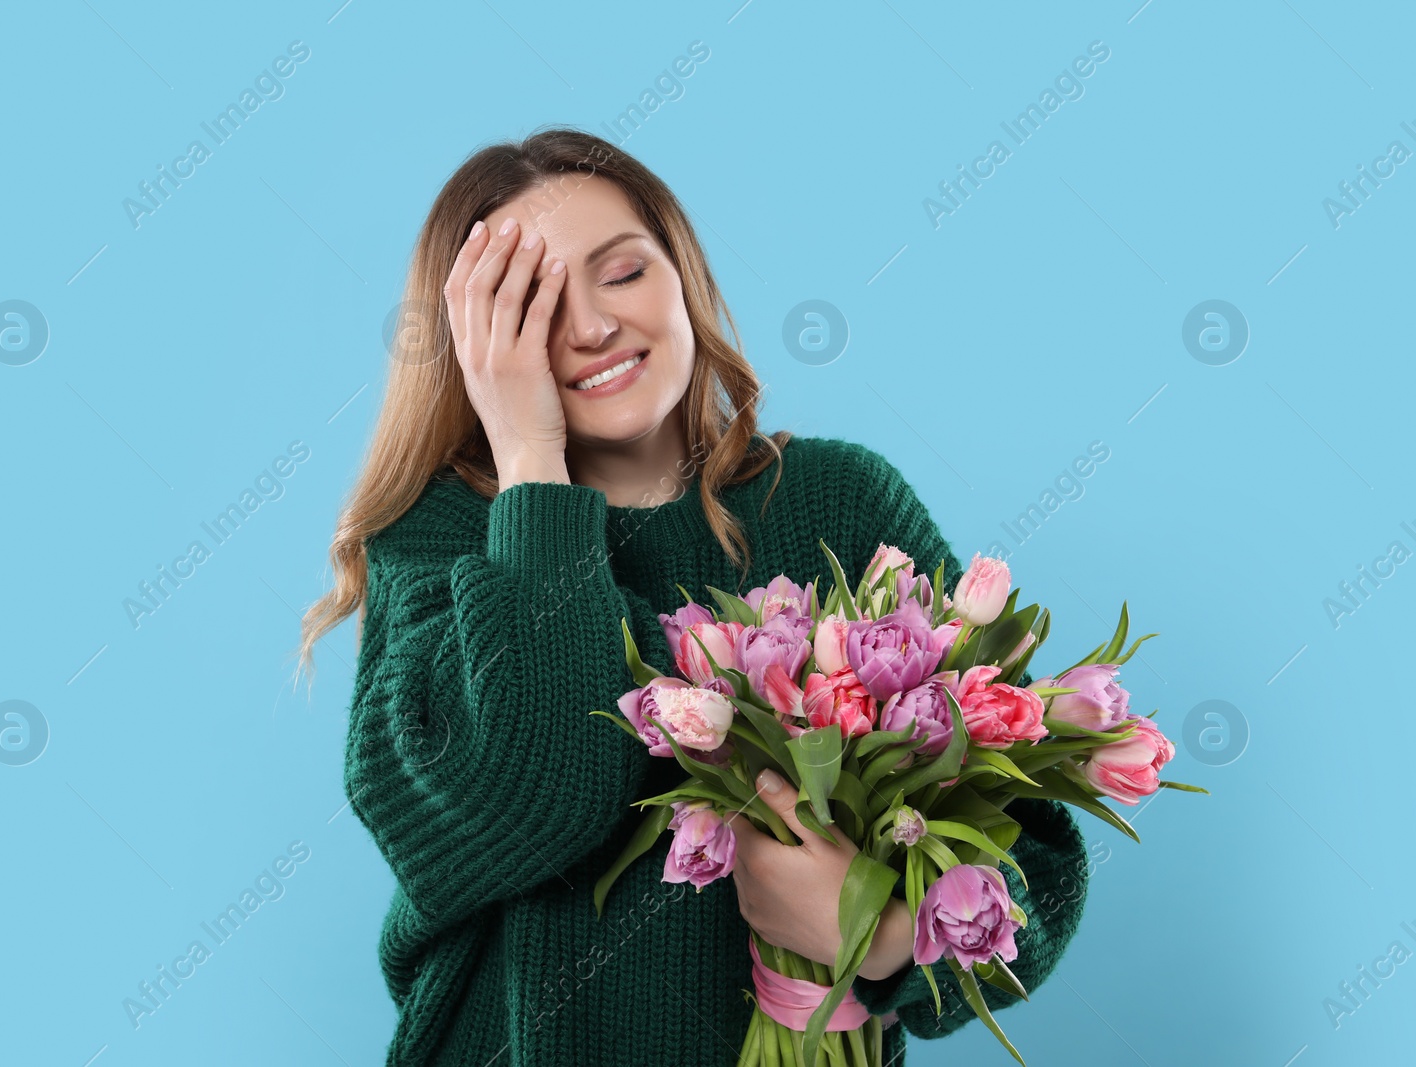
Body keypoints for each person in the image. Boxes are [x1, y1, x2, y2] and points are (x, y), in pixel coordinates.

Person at [296, 126, 1090, 1067]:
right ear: (477, 349)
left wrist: (878, 934)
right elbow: (535, 799)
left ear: (684, 277)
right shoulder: (441, 539)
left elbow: (1032, 851)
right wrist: (531, 472)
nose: (590, 326)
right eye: (532, 308)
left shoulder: (837, 500)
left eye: (623, 273)